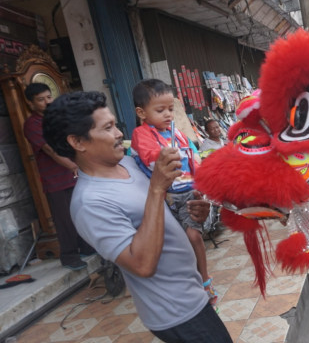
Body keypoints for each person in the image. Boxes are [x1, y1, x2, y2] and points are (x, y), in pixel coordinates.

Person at [42, 91, 233, 342]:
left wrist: (193, 212)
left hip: (192, 291)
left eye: (115, 125)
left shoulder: (129, 165)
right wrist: (156, 188)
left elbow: (157, 219)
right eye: (108, 128)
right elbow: (141, 264)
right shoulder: (90, 203)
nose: (120, 133)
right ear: (78, 142)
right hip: (175, 310)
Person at [129, 79, 219, 304]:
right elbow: (152, 159)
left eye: (170, 109)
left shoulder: (176, 132)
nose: (168, 114)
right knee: (177, 243)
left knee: (193, 235)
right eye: (160, 110)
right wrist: (171, 154)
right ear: (141, 112)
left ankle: (205, 279)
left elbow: (193, 157)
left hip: (188, 192)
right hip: (165, 197)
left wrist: (201, 182)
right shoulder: (141, 134)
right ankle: (190, 283)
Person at [22, 83, 94, 270]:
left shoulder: (57, 119)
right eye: (41, 99)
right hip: (55, 179)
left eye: (48, 97)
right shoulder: (32, 124)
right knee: (64, 219)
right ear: (31, 103)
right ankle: (69, 256)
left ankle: (86, 247)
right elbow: (51, 150)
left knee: (81, 212)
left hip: (75, 173)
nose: (47, 102)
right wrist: (75, 166)